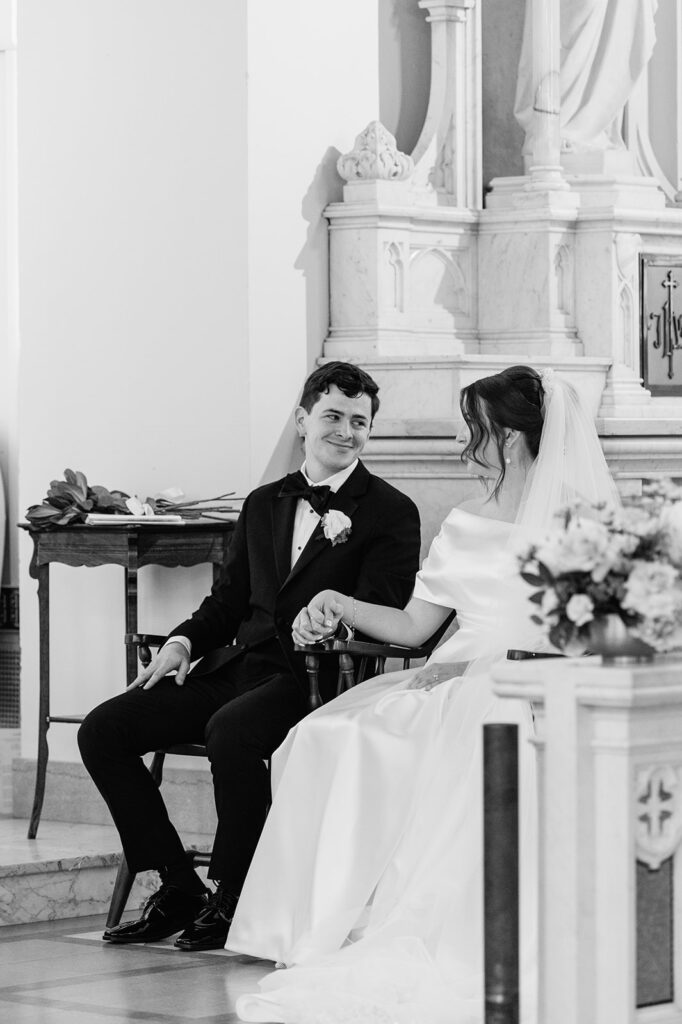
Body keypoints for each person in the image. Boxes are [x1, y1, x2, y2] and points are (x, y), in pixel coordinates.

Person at [227, 365, 620, 1024]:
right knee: (323, 735)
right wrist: (337, 600)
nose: (467, 448)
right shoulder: (464, 523)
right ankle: (319, 922)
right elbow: (415, 627)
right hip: (451, 676)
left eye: (477, 432)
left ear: (512, 438)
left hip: (534, 679)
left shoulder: (584, 527)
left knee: (485, 733)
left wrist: (530, 669)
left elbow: (602, 633)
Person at [78, 361, 421, 952]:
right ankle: (176, 886)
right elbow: (228, 600)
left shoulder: (391, 510)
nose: (345, 431)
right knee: (103, 729)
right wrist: (184, 641)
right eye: (333, 416)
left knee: (231, 732)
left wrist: (329, 618)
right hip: (240, 666)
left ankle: (234, 897)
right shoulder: (265, 502)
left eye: (359, 422)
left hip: (317, 679)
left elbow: (383, 610)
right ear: (303, 419)